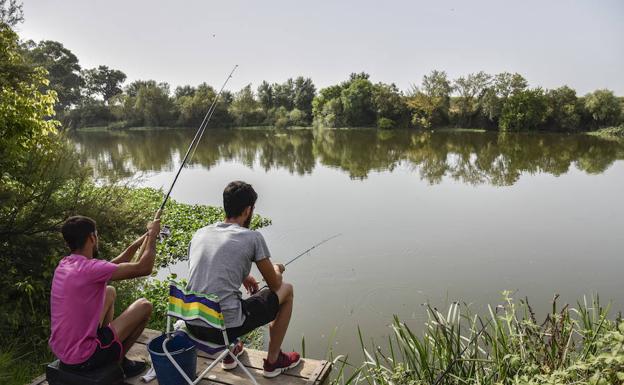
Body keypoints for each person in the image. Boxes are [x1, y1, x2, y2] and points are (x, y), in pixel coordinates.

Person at [186, 181, 300, 378]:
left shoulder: (200, 233)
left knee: (228, 298)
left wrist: (244, 275)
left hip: (193, 323)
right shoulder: (252, 237)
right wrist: (277, 268)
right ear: (248, 210)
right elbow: (275, 285)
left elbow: (208, 273)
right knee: (287, 291)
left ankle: (229, 354)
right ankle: (273, 362)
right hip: (222, 328)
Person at [49, 214, 161, 378]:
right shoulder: (90, 269)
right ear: (92, 238)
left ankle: (111, 350)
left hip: (64, 353)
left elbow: (114, 263)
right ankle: (118, 364)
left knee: (109, 291)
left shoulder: (66, 263)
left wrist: (140, 241)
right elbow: (144, 268)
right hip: (85, 358)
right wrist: (153, 236)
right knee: (144, 306)